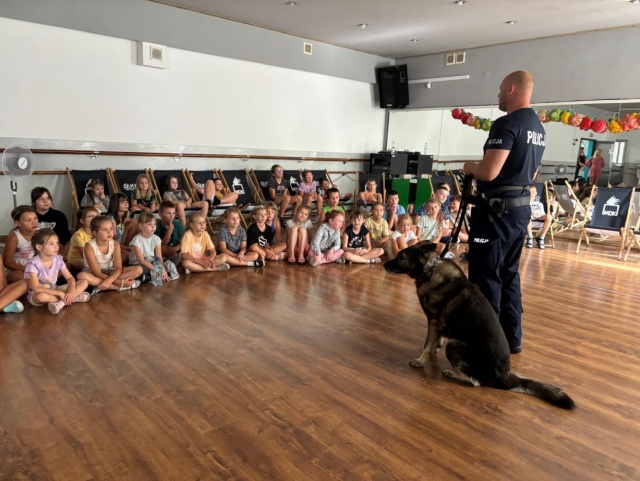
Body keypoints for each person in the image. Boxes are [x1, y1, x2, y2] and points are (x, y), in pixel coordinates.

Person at [463, 70, 545, 355]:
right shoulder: (538, 128)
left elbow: (489, 171)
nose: (498, 95)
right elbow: (530, 173)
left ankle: (486, 345)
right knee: (509, 273)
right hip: (519, 210)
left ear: (511, 89)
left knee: (486, 276)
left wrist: (471, 167)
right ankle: (511, 337)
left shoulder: (507, 123)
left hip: (496, 214)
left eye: (500, 89)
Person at [25, 229, 91, 314]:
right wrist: (58, 292)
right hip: (37, 293)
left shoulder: (58, 259)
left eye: (57, 243)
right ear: (39, 247)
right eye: (51, 244)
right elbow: (36, 288)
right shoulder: (33, 264)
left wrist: (71, 290)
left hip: (54, 289)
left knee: (84, 282)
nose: (56, 246)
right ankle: (75, 298)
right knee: (41, 297)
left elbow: (70, 278)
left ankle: (62, 303)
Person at [77, 216, 143, 292]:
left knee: (139, 269)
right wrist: (119, 283)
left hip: (110, 271)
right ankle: (116, 287)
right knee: (81, 276)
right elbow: (97, 272)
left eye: (111, 229)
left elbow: (118, 268)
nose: (109, 232)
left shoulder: (115, 244)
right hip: (94, 273)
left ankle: (100, 286)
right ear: (95, 233)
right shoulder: (89, 246)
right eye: (104, 230)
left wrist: (110, 279)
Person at [129, 212, 177, 282]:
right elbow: (141, 260)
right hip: (138, 264)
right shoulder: (137, 240)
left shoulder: (156, 238)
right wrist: (157, 269)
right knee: (141, 269)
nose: (153, 227)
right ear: (141, 226)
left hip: (152, 261)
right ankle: (152, 275)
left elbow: (159, 258)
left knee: (176, 258)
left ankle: (148, 277)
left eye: (154, 224)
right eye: (149, 224)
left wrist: (162, 269)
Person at [31, 187, 71, 257]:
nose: (46, 201)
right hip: (35, 251)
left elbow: (66, 239)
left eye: (48, 198)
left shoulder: (59, 215)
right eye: (41, 199)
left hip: (57, 251)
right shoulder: (30, 216)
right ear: (34, 202)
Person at [3, 205, 38, 284]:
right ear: (18, 223)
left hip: (35, 264)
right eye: (28, 220)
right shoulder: (14, 237)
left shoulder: (40, 232)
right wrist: (28, 269)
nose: (34, 222)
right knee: (18, 276)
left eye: (35, 218)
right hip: (18, 268)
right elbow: (7, 262)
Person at [106, 193, 138, 260]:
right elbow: (113, 241)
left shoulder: (127, 214)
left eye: (127, 202)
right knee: (130, 256)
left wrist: (124, 225)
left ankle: (132, 248)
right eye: (122, 203)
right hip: (113, 245)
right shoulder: (111, 219)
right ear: (115, 204)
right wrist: (128, 248)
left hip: (123, 242)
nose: (126, 204)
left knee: (134, 221)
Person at [155, 201, 184, 267]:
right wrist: (169, 231)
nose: (171, 216)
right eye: (168, 213)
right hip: (164, 251)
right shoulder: (156, 226)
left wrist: (175, 249)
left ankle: (170, 263)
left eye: (173, 213)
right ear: (160, 214)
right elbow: (160, 246)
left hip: (176, 249)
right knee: (161, 249)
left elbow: (184, 241)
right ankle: (168, 263)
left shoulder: (178, 224)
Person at [525, 185, 552, 249]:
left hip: (539, 218)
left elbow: (542, 214)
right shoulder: (525, 203)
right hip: (529, 220)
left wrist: (538, 215)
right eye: (529, 192)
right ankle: (530, 237)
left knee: (549, 216)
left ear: (536, 193)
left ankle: (541, 238)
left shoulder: (539, 204)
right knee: (527, 215)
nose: (531, 194)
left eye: (533, 192)